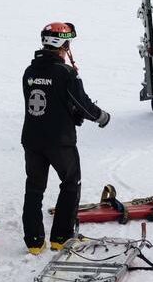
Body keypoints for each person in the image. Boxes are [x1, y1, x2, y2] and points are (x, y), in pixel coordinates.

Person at [21, 22, 111, 255]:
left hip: (32, 139)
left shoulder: (29, 71)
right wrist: (101, 117)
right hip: (59, 141)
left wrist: (70, 111)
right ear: (63, 44)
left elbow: (50, 101)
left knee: (34, 188)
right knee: (71, 184)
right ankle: (61, 237)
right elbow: (82, 103)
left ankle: (33, 242)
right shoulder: (65, 72)